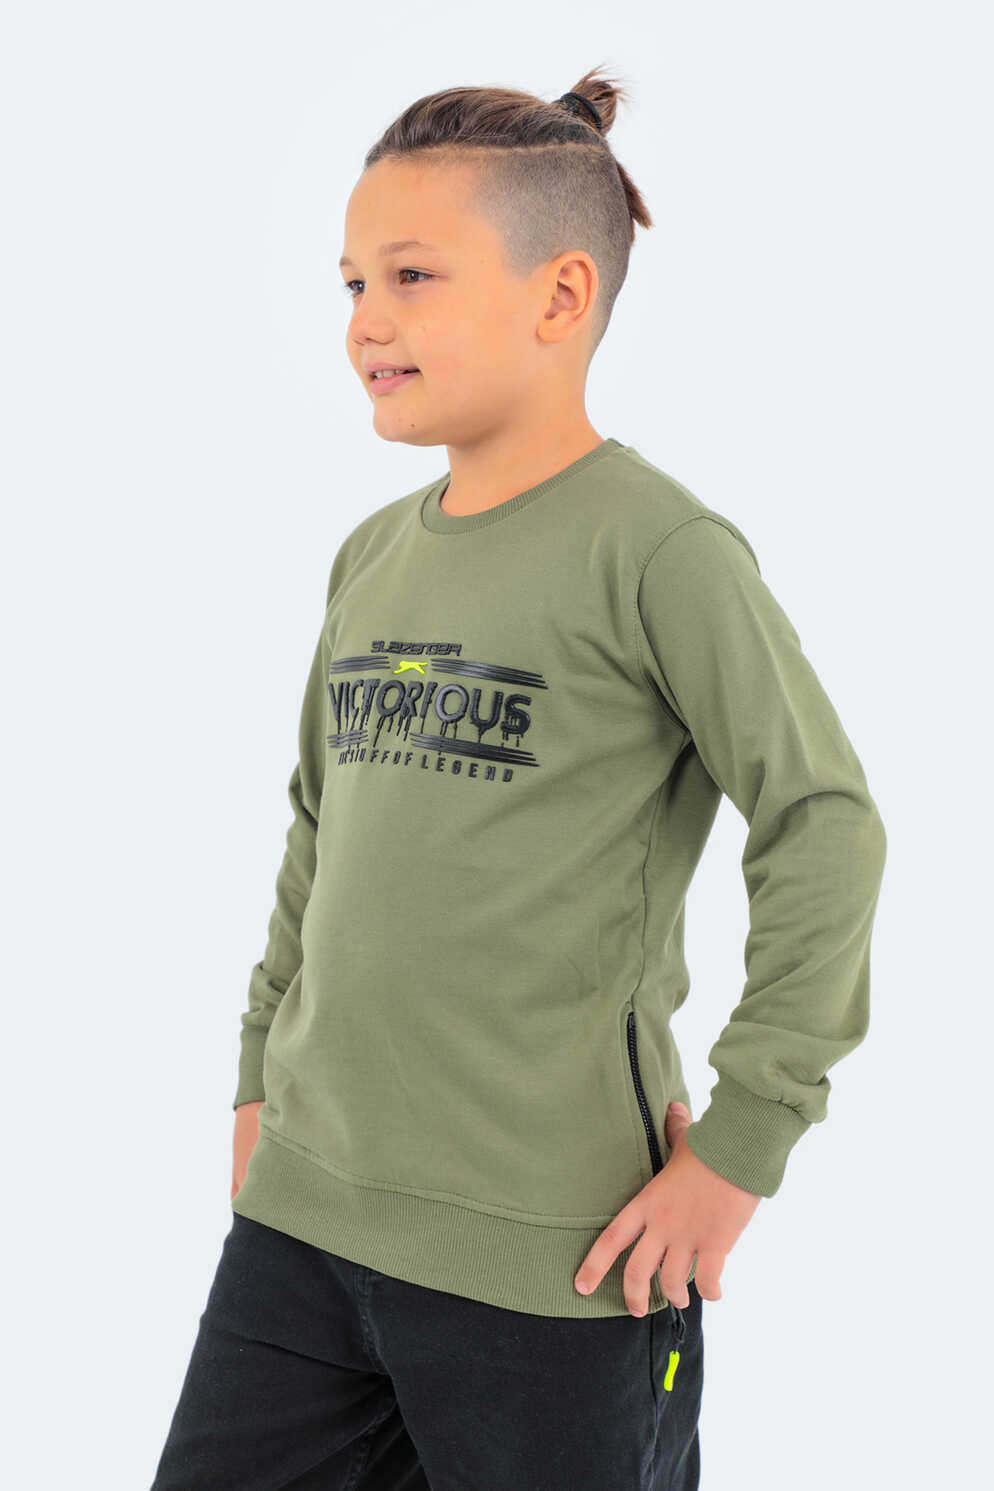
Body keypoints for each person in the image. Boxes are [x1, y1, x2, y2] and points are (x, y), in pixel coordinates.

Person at [149, 64, 887, 1491]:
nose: (364, 320)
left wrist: (743, 1143)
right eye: (352, 282)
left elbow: (823, 823)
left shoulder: (659, 551)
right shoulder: (372, 555)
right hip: (301, 1220)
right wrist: (255, 1074)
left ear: (560, 296)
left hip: (556, 1258)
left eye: (411, 276)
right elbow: (318, 831)